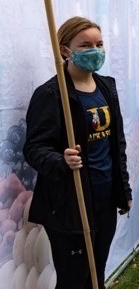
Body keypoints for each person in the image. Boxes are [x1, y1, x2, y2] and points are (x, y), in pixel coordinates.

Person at [24, 17, 132, 288]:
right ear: (65, 50)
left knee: (97, 273)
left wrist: (124, 190)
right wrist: (61, 159)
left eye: (99, 44)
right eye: (85, 45)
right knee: (74, 279)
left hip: (105, 199)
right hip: (71, 204)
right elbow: (34, 148)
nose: (95, 50)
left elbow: (116, 145)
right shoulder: (51, 93)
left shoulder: (107, 88)